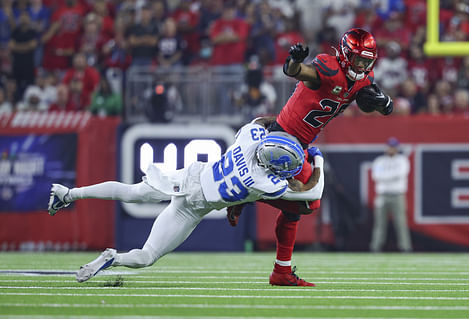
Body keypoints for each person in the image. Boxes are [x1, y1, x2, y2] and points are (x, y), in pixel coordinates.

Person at [47, 119, 325, 283]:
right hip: (193, 208)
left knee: (132, 192)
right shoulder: (265, 182)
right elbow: (312, 192)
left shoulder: (249, 139)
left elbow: (262, 122)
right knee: (146, 257)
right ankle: (114, 257)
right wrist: (319, 159)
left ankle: (69, 194)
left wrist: (281, 127)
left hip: (188, 176)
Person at [228, 28, 393, 286]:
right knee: (308, 202)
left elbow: (383, 104)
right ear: (346, 55)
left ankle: (280, 269)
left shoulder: (363, 78)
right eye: (358, 59)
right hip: (283, 140)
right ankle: (248, 195)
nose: (362, 65)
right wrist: (295, 60)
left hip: (300, 145)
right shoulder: (328, 67)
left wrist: (384, 102)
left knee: (297, 209)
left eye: (366, 60)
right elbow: (295, 71)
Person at [370, 137, 412, 253]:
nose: (391, 149)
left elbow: (400, 174)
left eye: (393, 147)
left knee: (400, 223)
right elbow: (375, 176)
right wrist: (390, 176)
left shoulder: (402, 160)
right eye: (390, 146)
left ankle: (405, 247)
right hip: (382, 195)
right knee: (379, 223)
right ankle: (375, 247)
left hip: (397, 195)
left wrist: (385, 177)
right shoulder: (379, 161)